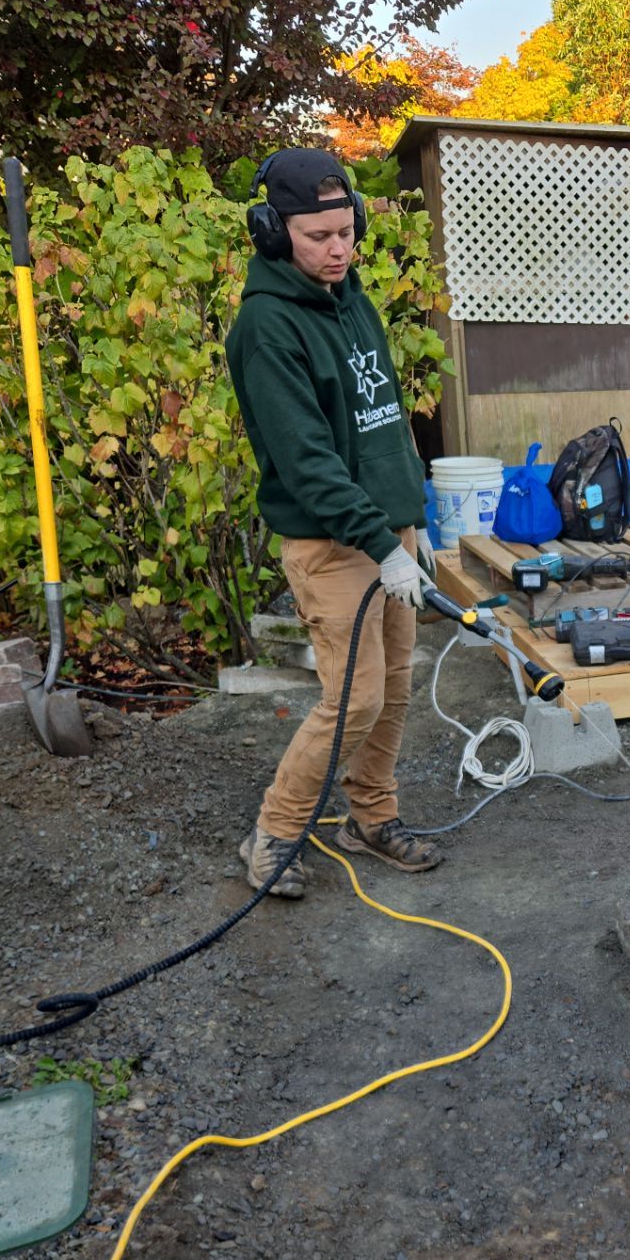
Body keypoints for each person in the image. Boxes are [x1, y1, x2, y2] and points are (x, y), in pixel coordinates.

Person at [225, 147, 441, 899]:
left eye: (346, 231)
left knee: (395, 689)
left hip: (390, 534)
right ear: (274, 232)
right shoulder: (266, 327)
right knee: (353, 701)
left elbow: (386, 422)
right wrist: (382, 543)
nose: (339, 248)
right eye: (319, 236)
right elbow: (308, 461)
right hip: (333, 543)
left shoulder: (353, 300)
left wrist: (414, 520)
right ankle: (273, 834)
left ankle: (370, 819)